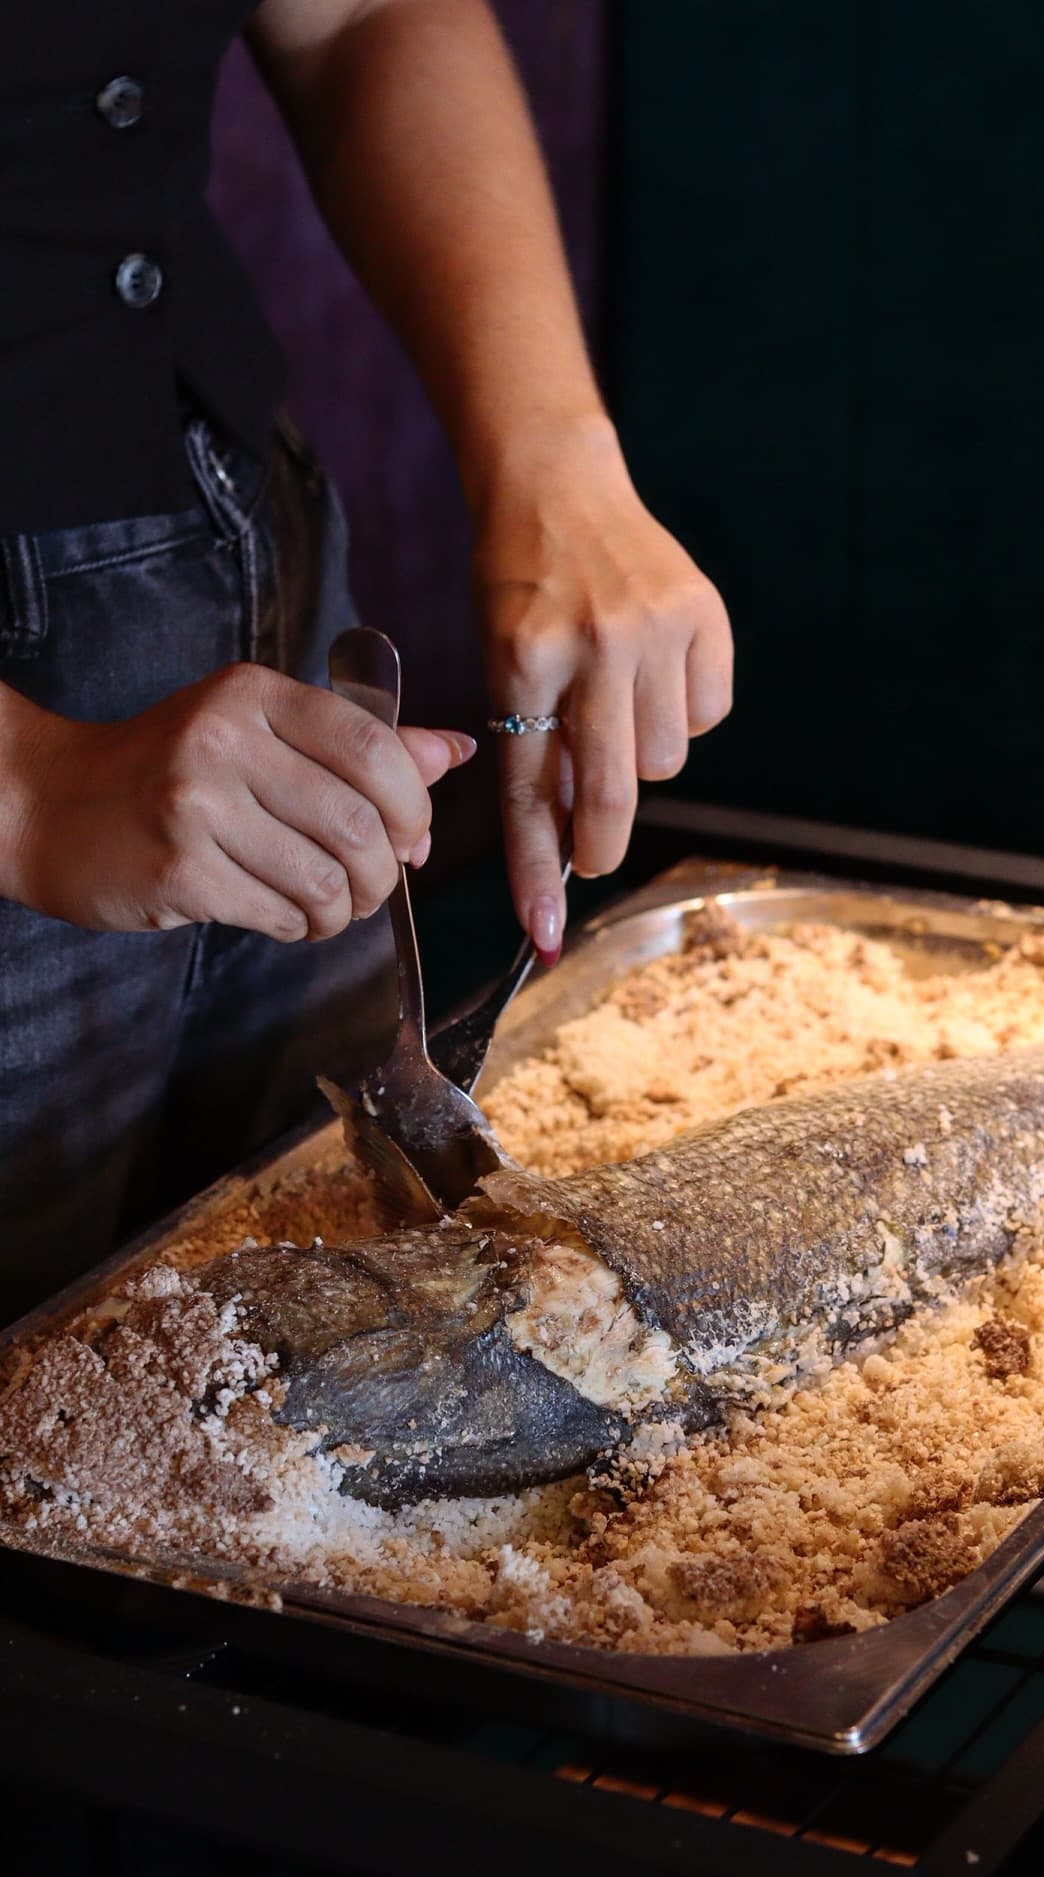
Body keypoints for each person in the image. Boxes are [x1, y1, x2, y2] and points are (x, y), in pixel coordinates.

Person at [0, 1, 733, 1304]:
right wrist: (32, 792)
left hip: (266, 598)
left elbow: (356, 16)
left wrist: (555, 457)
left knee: (335, 1314)